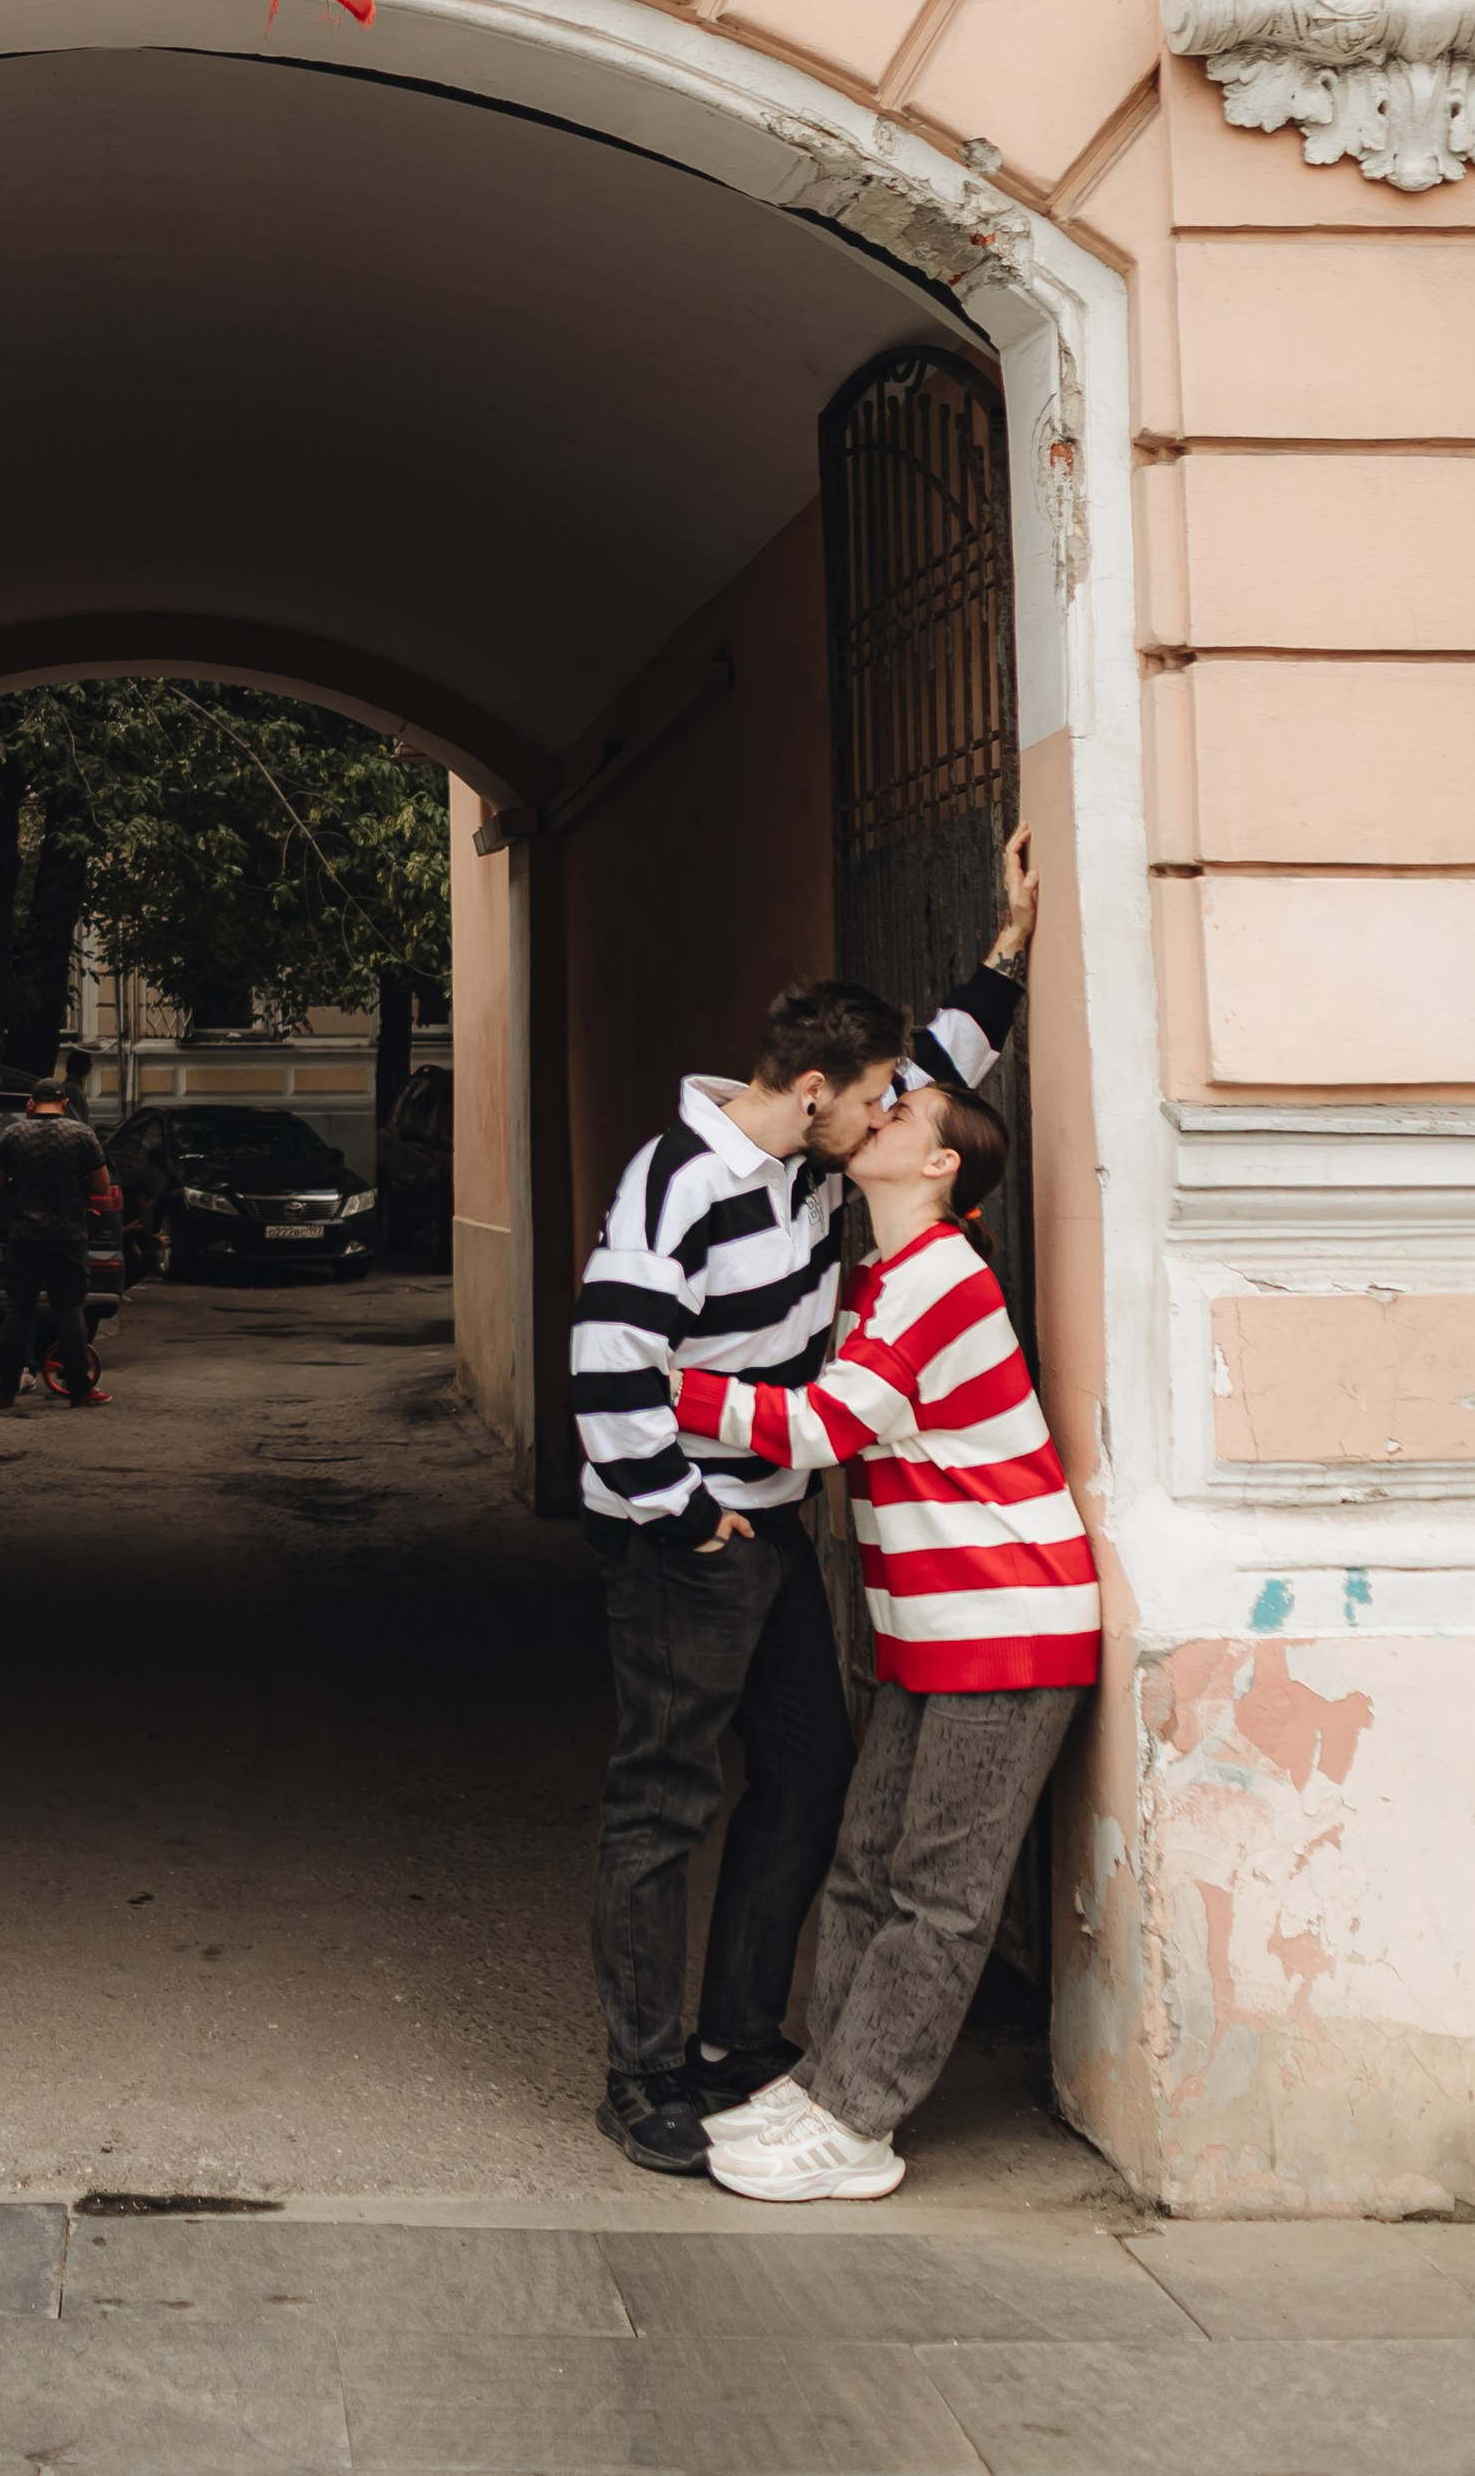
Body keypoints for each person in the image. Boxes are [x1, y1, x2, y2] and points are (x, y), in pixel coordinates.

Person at [572, 826, 1038, 2177]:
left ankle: (734, 2038)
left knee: (809, 1772)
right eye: (882, 1094)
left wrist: (1007, 946)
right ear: (822, 1089)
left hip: (762, 1513)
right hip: (685, 1538)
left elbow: (949, 1064)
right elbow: (606, 1358)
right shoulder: (679, 1187)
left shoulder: (811, 1150)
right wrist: (680, 1505)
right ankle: (643, 2072)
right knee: (662, 1794)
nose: (902, 1109)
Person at [679, 1057, 1098, 2204]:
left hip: (1003, 1624)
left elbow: (824, 1425)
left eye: (898, 1110)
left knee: (940, 1895)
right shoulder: (884, 1275)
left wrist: (661, 1382)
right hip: (931, 1626)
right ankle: (828, 2079)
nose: (874, 1113)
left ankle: (860, 2121)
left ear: (940, 1162)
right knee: (866, 1866)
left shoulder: (945, 1275)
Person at [0, 1075, 115, 1413]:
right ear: (65, 1102)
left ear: (33, 1101)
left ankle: (5, 1391)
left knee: (18, 1311)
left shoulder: (11, 1134)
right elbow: (102, 1185)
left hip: (24, 1236)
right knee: (69, 1311)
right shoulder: (82, 1134)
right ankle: (80, 1389)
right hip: (68, 1236)